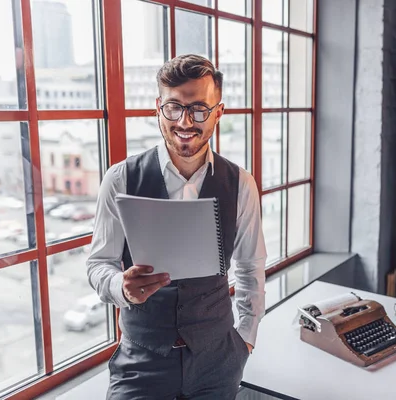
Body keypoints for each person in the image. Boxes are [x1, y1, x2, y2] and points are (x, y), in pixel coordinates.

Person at [86, 54, 267, 399]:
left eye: (199, 109)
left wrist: (246, 338)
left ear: (219, 112)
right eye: (174, 108)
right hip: (141, 361)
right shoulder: (120, 178)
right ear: (158, 108)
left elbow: (250, 266)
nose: (185, 121)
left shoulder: (241, 183)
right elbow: (98, 265)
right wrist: (120, 287)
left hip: (218, 360)